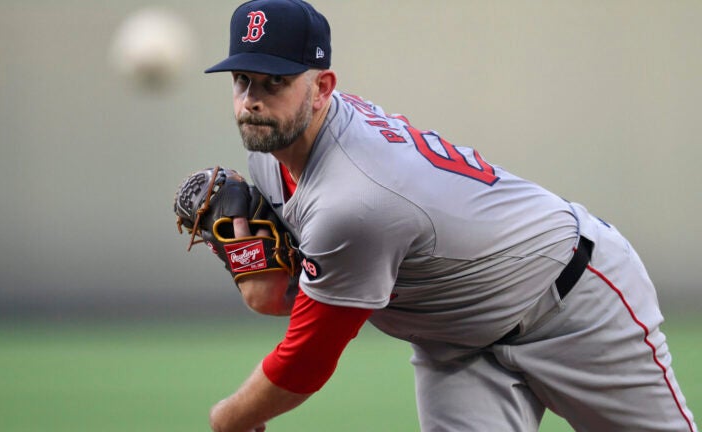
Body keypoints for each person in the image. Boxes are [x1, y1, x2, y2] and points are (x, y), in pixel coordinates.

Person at [201, 0, 698, 431]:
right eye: (242, 81)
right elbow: (285, 295)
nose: (253, 101)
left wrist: (229, 418)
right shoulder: (270, 152)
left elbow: (305, 363)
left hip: (572, 304)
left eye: (276, 81)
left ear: (323, 86)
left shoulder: (354, 200)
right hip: (456, 342)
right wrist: (251, 264)